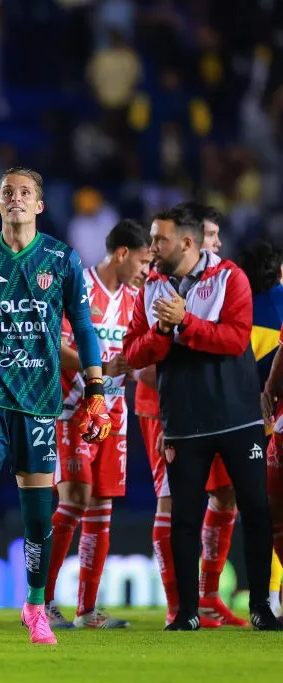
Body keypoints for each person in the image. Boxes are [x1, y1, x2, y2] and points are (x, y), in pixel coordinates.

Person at [0, 167, 112, 646]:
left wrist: (96, 392)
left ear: (39, 205)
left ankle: (36, 606)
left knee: (39, 513)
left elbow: (84, 327)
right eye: (7, 192)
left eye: (25, 192)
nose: (15, 198)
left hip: (39, 400)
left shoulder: (61, 258)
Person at [124, 203, 280, 631]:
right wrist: (160, 333)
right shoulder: (151, 286)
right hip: (183, 423)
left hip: (237, 418)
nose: (152, 246)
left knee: (255, 510)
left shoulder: (231, 277)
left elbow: (234, 340)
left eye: (160, 239)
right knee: (185, 516)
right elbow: (134, 350)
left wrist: (185, 323)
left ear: (187, 243)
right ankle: (188, 613)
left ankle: (261, 608)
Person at [44, 219, 151, 629]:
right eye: (142, 261)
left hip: (115, 413)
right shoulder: (78, 286)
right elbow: (57, 342)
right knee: (74, 500)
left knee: (101, 509)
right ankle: (42, 601)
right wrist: (100, 367)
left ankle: (87, 611)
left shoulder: (136, 300)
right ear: (122, 254)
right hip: (72, 408)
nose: (145, 271)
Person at [239, 240, 283, 617]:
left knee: (257, 513)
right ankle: (272, 597)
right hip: (276, 418)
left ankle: (202, 597)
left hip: (240, 421)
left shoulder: (233, 305)